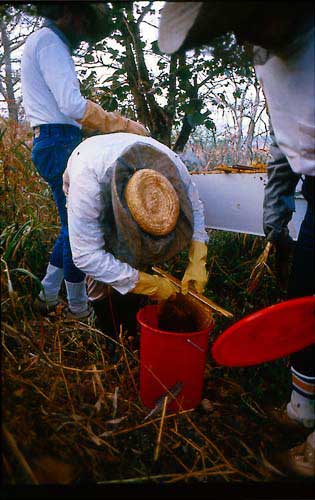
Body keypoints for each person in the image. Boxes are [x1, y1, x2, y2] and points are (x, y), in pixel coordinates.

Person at [157, 1, 314, 477]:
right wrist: (275, 217)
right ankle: (303, 408)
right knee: (305, 300)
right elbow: (286, 145)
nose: (245, 38)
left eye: (249, 20)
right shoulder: (269, 59)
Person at [21, 3, 148, 320]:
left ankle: (48, 295)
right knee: (80, 230)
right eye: (84, 21)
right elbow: (73, 105)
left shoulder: (44, 41)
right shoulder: (50, 42)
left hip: (55, 140)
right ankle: (79, 311)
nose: (84, 31)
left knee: (69, 227)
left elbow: (68, 109)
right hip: (58, 141)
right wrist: (124, 125)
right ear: (69, 11)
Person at [63, 132, 209, 358]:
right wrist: (149, 284)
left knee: (134, 264)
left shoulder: (174, 170)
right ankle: (111, 334)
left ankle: (132, 310)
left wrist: (197, 259)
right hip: (85, 159)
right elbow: (86, 255)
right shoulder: (88, 184)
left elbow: (196, 209)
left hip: (118, 156)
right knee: (98, 268)